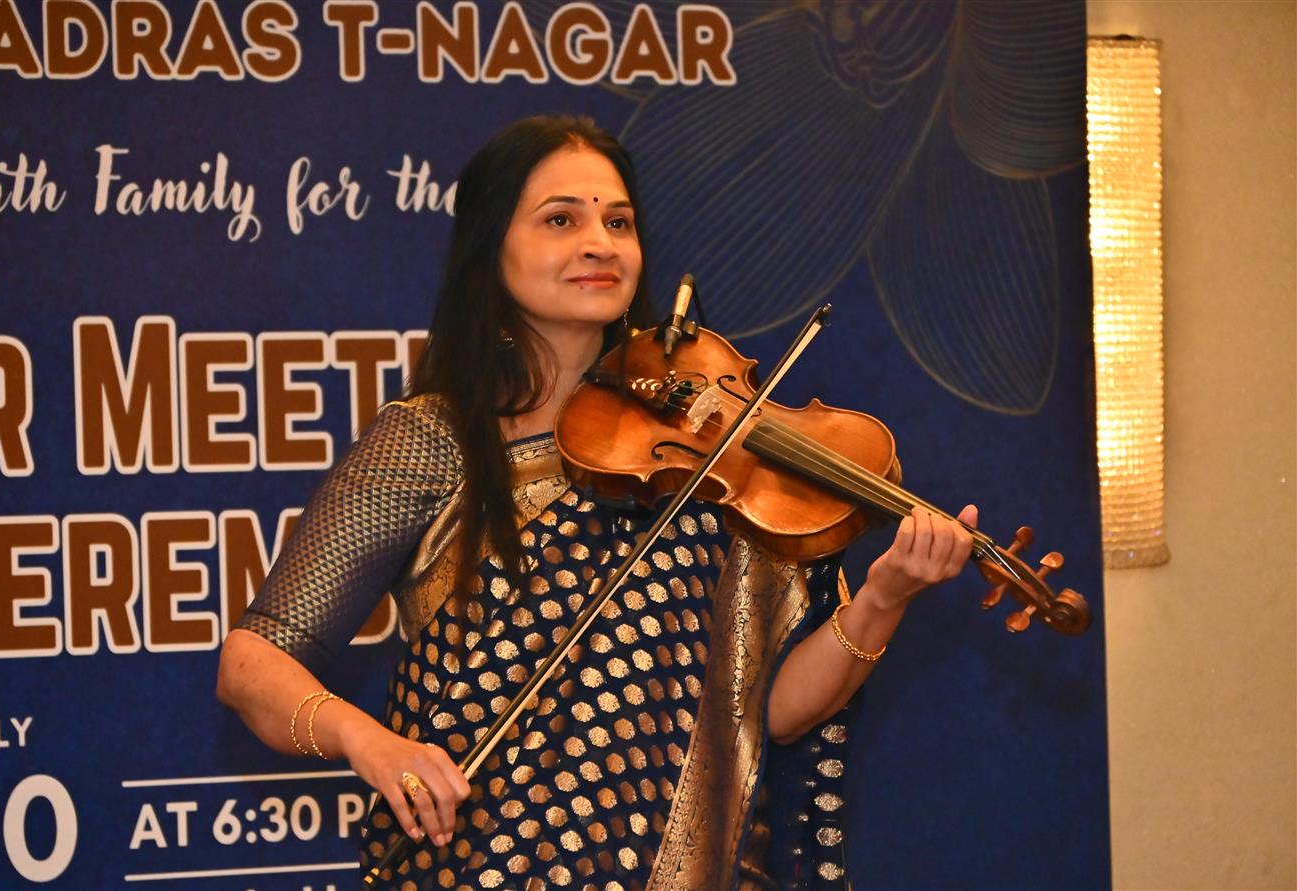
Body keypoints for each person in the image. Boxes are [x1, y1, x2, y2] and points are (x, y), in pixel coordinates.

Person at [216, 114, 977, 890]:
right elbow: (251, 664)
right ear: (491, 249)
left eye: (618, 222)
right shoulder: (433, 439)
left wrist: (883, 599)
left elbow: (765, 713)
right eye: (560, 220)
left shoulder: (712, 452)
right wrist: (369, 741)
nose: (599, 243)